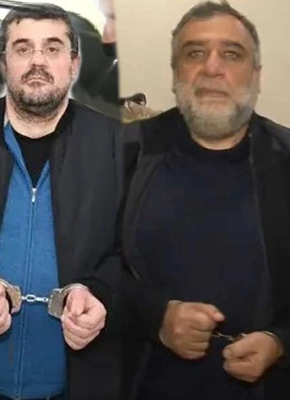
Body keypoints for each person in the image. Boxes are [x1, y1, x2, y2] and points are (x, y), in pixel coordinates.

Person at [0, 3, 125, 400]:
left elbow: (136, 259)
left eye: (52, 48)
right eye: (23, 48)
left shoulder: (118, 149)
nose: (37, 60)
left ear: (73, 63)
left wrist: (100, 292)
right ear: (4, 62)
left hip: (76, 388)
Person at [122, 2, 290, 400]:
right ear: (175, 73)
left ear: (256, 75)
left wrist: (281, 342)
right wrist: (154, 316)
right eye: (195, 53)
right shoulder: (120, 154)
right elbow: (79, 266)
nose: (212, 68)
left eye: (232, 54)